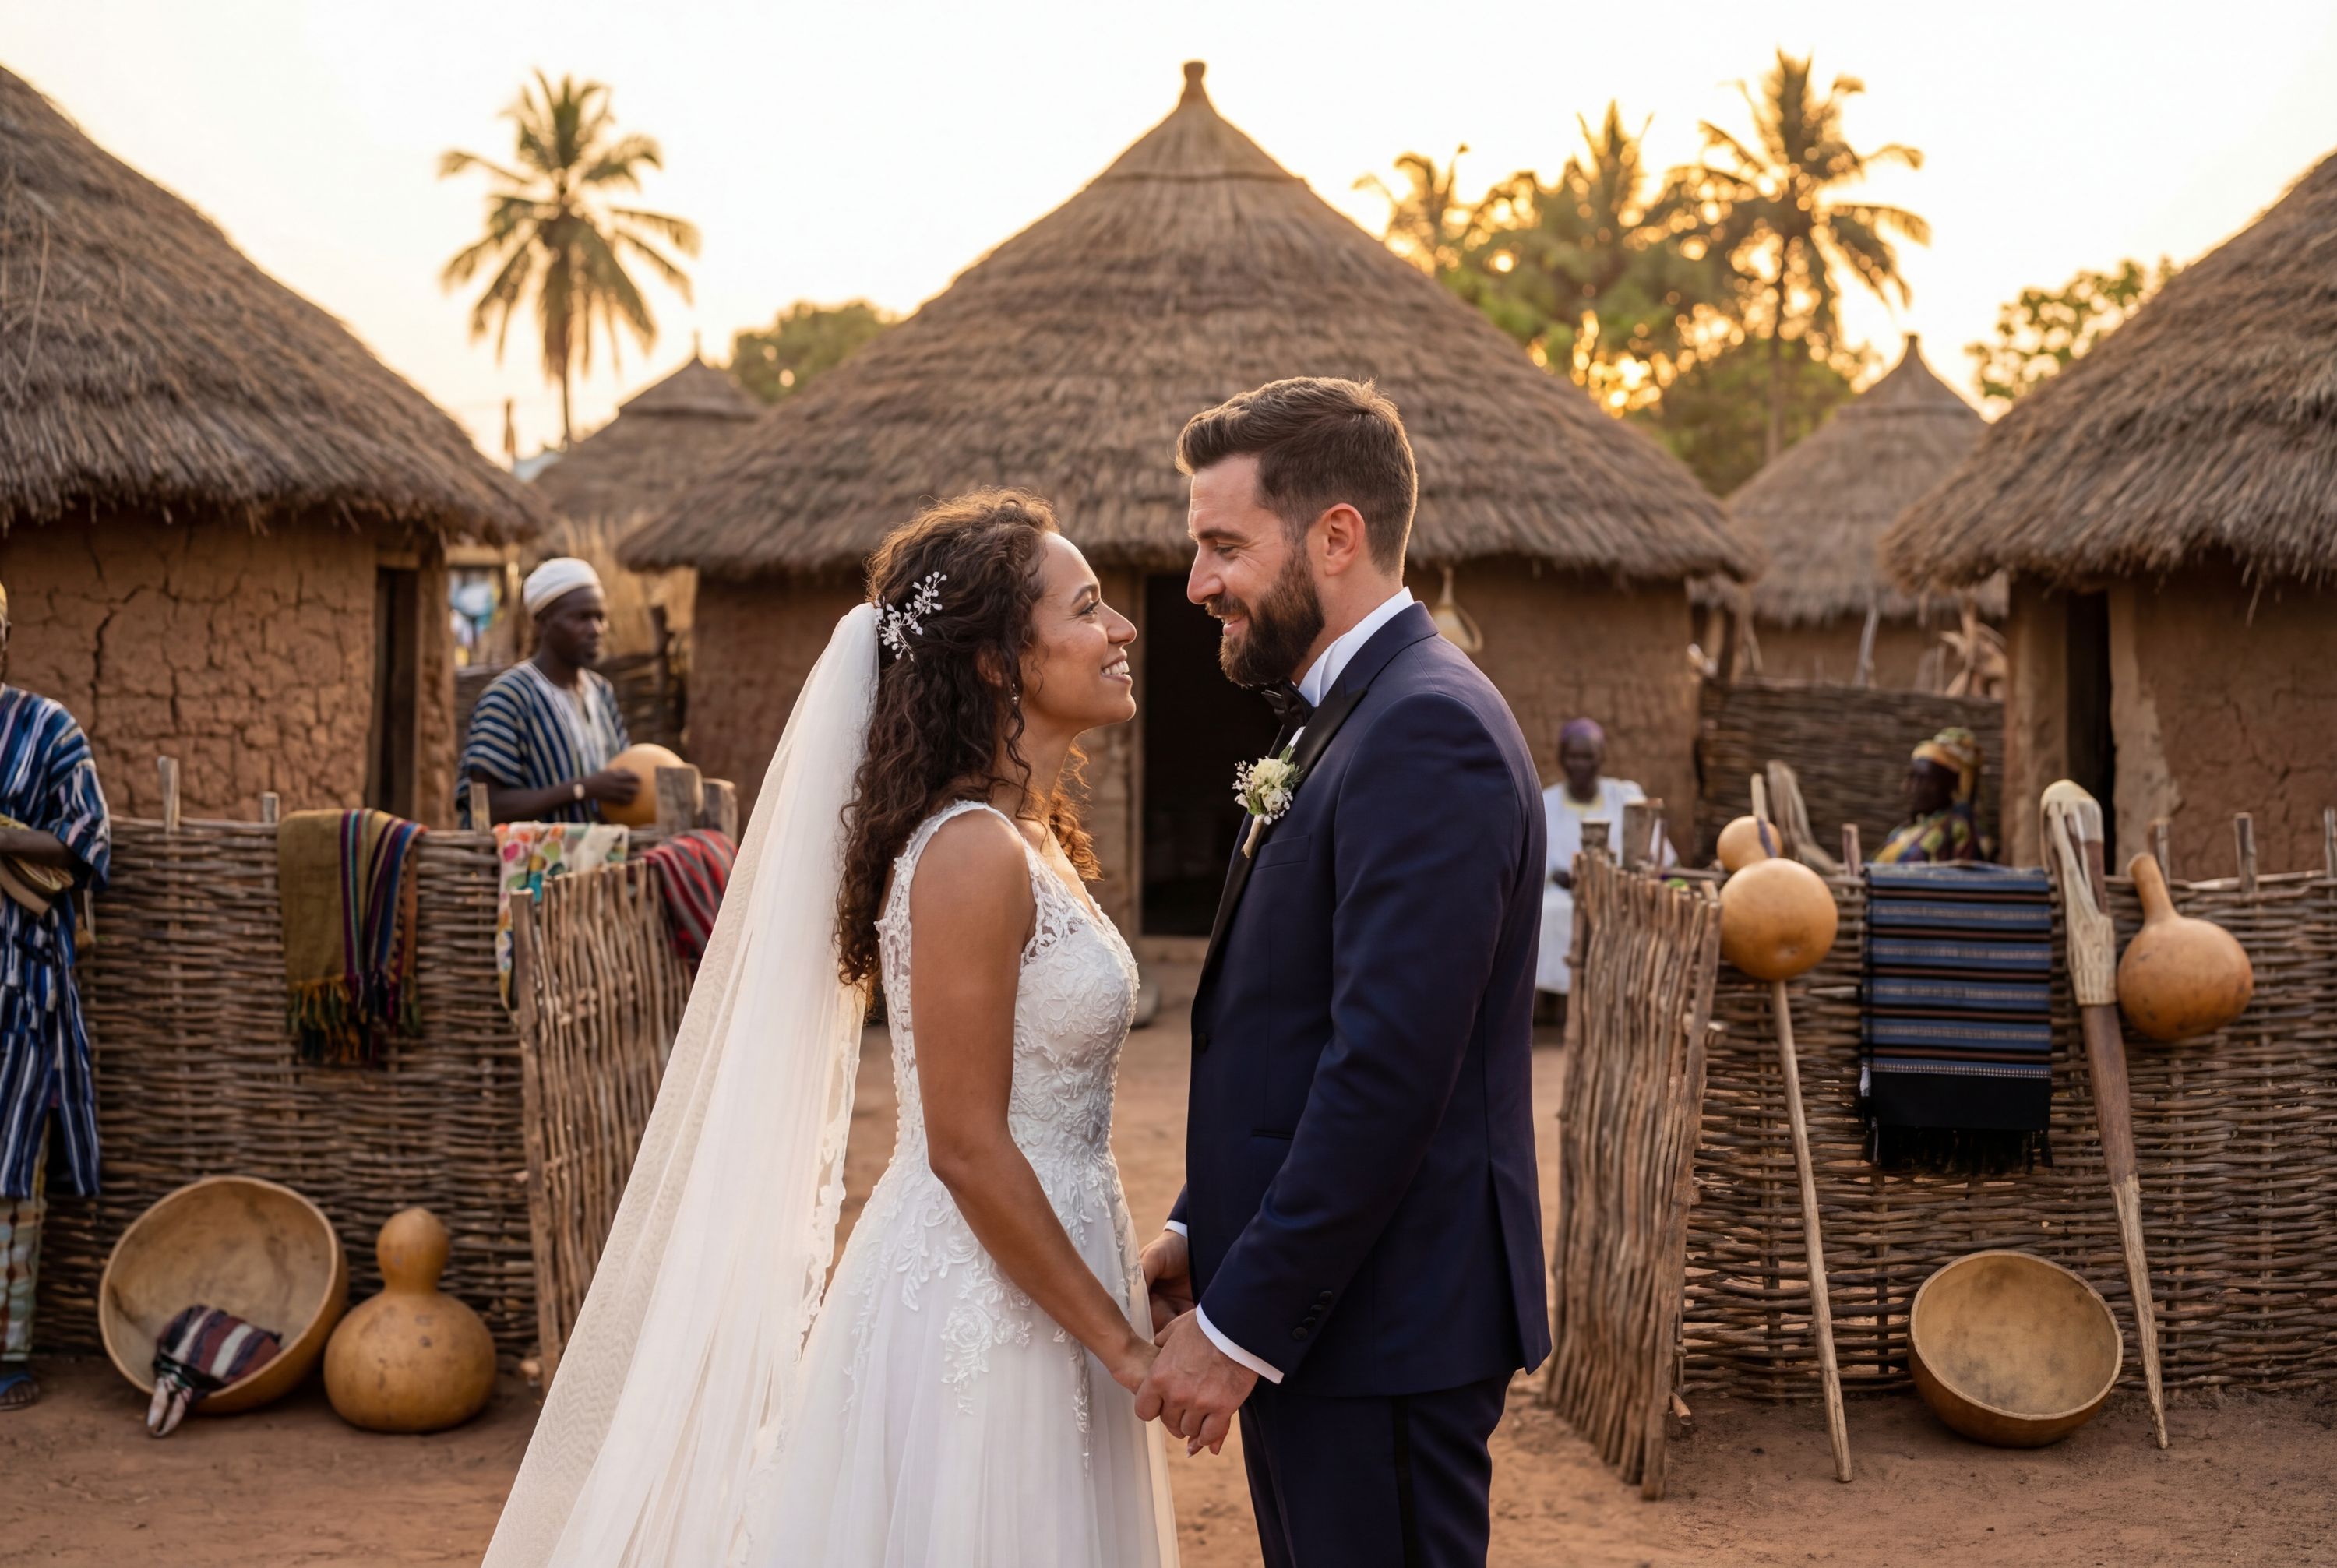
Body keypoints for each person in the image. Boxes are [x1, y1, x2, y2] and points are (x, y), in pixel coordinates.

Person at [481, 492, 1176, 1566]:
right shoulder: (971, 854)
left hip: (1053, 1277)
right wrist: (1128, 1353)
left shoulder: (1026, 833)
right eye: (1088, 608)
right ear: (997, 660)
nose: (1122, 627)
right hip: (979, 1312)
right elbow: (966, 1144)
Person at [1140, 378, 1549, 1567]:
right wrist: (1203, 1226)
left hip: (1384, 1328)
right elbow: (1291, 1025)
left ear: (1337, 535)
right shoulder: (1339, 714)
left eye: (1224, 547)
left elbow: (1386, 1071)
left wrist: (1243, 1321)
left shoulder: (1427, 729)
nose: (1198, 584)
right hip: (1343, 1317)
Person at [0, 584, 113, 1412]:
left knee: (12, 1177)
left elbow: (86, 840)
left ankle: (6, 1353)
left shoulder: (48, 730)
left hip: (20, 988)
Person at [459, 558, 636, 826]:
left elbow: (621, 776)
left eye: (600, 617)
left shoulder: (600, 692)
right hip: (527, 866)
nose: (596, 630)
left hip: (600, 865)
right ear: (543, 623)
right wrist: (582, 789)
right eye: (582, 618)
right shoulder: (509, 697)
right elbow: (487, 807)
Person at [1536, 717, 1672, 1010]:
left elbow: (1657, 856)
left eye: (1588, 756)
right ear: (1562, 758)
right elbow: (1538, 864)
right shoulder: (1545, 803)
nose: (1581, 764)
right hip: (1562, 895)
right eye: (1574, 756)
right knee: (1547, 914)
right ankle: (1552, 1005)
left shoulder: (1624, 797)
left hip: (1617, 891)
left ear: (1602, 758)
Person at [1873, 726, 1986, 864]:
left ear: (1949, 785)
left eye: (1922, 779)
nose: (1908, 787)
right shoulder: (1909, 829)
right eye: (1911, 777)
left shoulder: (1957, 830)